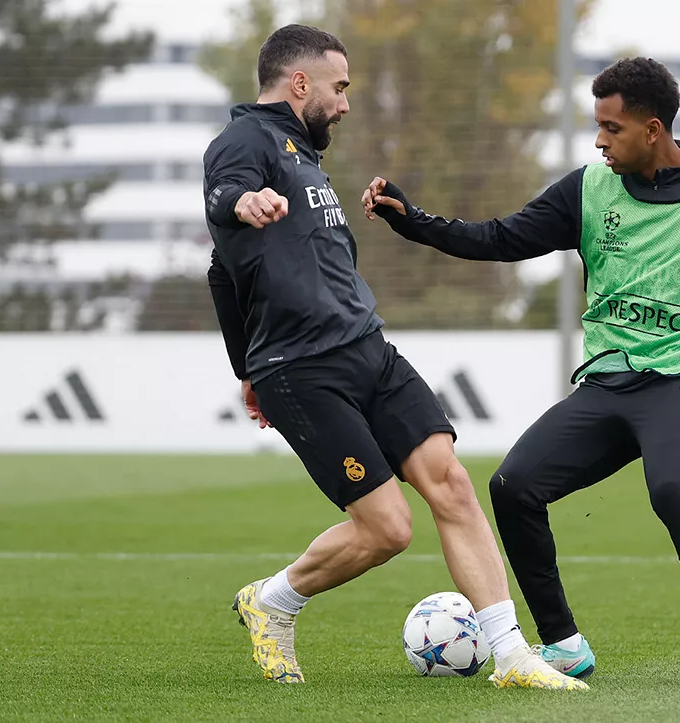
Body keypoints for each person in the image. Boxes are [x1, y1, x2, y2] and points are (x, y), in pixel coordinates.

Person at [362, 57, 680, 688]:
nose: (599, 141)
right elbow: (502, 239)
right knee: (513, 487)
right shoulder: (589, 190)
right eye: (597, 127)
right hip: (610, 380)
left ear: (652, 129)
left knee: (671, 487)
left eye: (611, 129)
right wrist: (414, 222)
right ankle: (563, 643)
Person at [202, 24, 586, 691]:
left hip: (367, 348)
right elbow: (222, 202)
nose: (345, 102)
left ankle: (513, 656)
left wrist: (242, 365)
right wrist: (242, 200)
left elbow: (221, 272)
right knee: (387, 528)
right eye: (339, 87)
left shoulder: (301, 151)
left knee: (453, 483)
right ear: (299, 83)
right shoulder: (243, 140)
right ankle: (271, 602)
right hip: (301, 367)